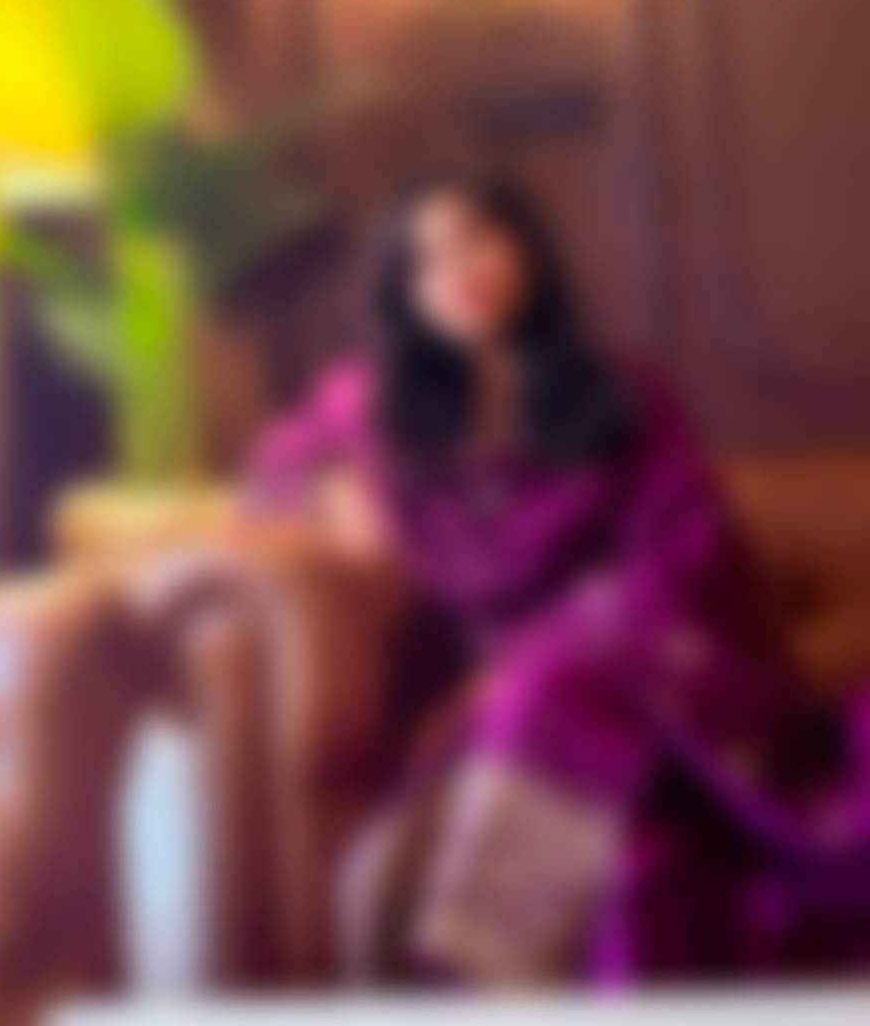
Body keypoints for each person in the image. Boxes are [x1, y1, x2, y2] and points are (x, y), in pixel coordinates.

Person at [248, 172, 870, 985]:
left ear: (526, 248)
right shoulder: (374, 408)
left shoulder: (622, 391)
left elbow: (691, 554)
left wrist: (547, 651)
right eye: (429, 260)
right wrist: (333, 493)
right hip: (496, 715)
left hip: (659, 683)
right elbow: (272, 473)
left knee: (558, 682)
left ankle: (492, 960)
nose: (460, 269)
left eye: (479, 239)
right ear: (405, 294)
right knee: (618, 833)